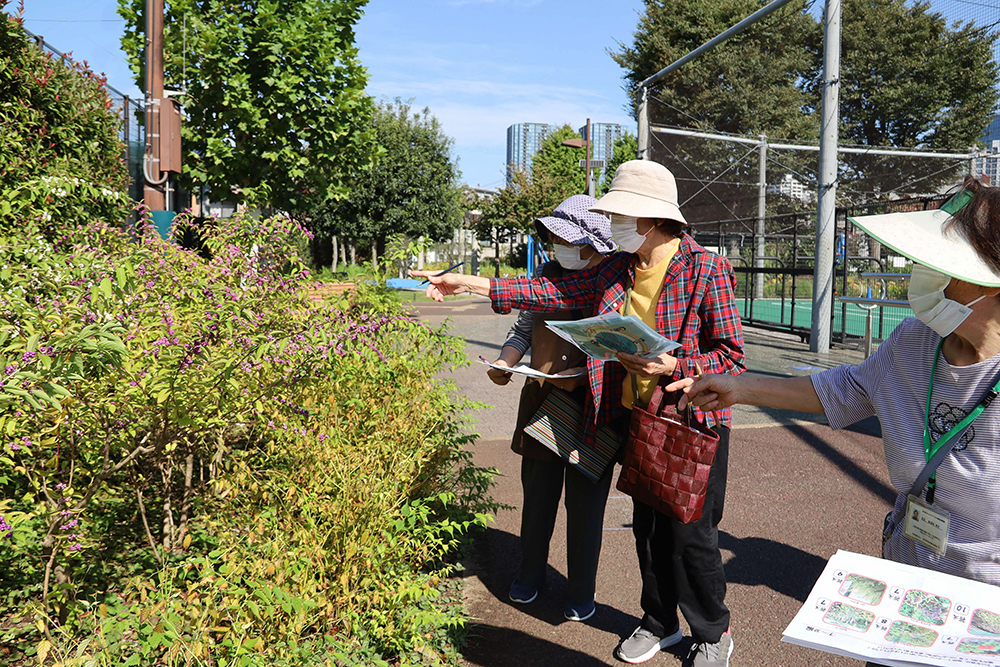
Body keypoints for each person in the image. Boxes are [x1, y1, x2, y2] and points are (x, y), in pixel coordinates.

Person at [414, 160, 746, 667]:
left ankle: (713, 633)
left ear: (650, 219)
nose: (612, 224)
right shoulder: (618, 267)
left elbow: (730, 358)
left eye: (619, 215)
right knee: (648, 532)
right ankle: (659, 623)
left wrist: (676, 361)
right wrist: (473, 284)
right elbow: (552, 292)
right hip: (639, 417)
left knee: (692, 537)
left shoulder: (705, 269)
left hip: (689, 423)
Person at [667, 176, 1000, 666]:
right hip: (909, 586)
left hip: (986, 610)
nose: (923, 273)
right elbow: (849, 390)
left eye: (941, 263)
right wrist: (740, 387)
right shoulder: (915, 343)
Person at [487, 194, 617, 623]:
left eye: (567, 239)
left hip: (593, 410)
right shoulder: (544, 275)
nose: (557, 247)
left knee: (585, 509)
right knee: (537, 499)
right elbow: (523, 327)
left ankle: (582, 589)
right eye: (553, 238)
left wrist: (591, 373)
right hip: (543, 401)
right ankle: (529, 574)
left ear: (595, 243)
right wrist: (505, 361)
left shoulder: (615, 281)